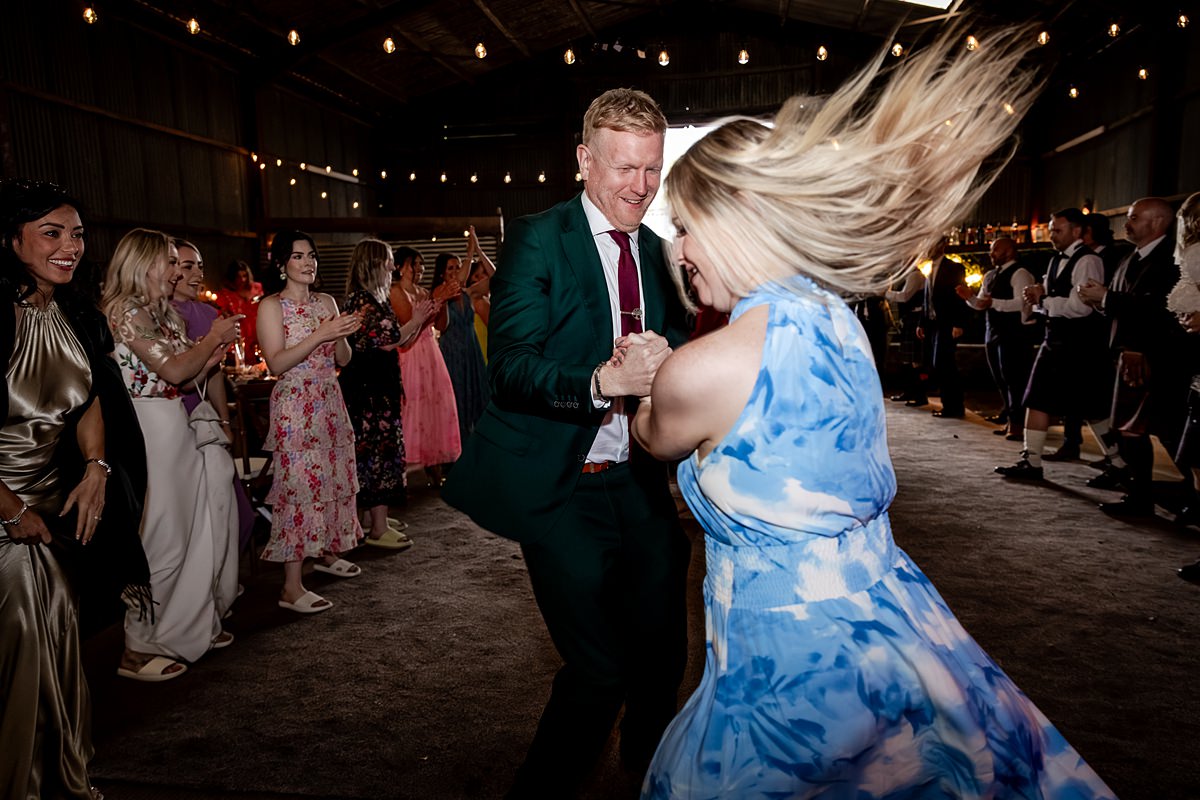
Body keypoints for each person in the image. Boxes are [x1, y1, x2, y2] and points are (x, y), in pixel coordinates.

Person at [630, 28, 1116, 798]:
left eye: (685, 224)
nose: (678, 248)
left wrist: (642, 380)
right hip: (893, 618)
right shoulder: (836, 318)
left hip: (790, 664)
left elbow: (654, 438)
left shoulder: (705, 367)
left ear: (732, 218)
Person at [443, 88, 692, 797]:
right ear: (584, 160)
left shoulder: (659, 251)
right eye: (623, 168)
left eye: (651, 170)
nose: (639, 188)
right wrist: (602, 379)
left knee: (664, 653)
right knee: (598, 672)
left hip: (639, 482)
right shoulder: (538, 236)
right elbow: (511, 365)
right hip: (562, 487)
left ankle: (650, 773)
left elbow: (671, 351)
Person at [0, 179, 149, 800]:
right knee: (20, 645)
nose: (70, 247)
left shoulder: (76, 313)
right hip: (5, 514)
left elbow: (87, 400)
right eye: (51, 234)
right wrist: (9, 511)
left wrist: (96, 469)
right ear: (11, 242)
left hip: (56, 509)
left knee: (59, 635)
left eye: (78, 234)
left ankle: (61, 773)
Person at [103, 229, 242, 680]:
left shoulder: (157, 313)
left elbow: (187, 379)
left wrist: (215, 349)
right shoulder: (125, 312)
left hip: (173, 426)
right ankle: (136, 648)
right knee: (159, 538)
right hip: (146, 431)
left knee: (186, 534)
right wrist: (210, 341)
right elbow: (174, 368)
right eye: (168, 262)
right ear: (142, 264)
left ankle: (180, 630)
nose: (176, 270)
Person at [257, 230, 363, 613]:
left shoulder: (327, 301)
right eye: (298, 256)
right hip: (294, 404)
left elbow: (344, 360)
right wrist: (321, 333)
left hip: (329, 399)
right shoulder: (271, 306)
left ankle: (323, 552)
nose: (308, 263)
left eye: (312, 256)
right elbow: (277, 363)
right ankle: (290, 587)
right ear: (282, 263)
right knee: (299, 490)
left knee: (330, 482)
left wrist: (341, 335)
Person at [1078, 198, 1188, 516]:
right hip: (1125, 354)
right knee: (1129, 431)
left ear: (1157, 222)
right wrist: (1100, 299)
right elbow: (1122, 302)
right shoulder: (1130, 257)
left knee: (1168, 431)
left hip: (1156, 357)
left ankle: (1183, 496)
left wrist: (1108, 297)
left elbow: (1163, 309)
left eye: (1134, 217)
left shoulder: (1173, 260)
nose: (1126, 223)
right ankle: (1141, 496)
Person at [995, 207, 1123, 481]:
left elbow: (1082, 308)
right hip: (1054, 339)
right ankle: (1032, 462)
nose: (1052, 234)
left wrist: (1043, 301)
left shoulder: (1088, 261)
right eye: (1052, 229)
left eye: (1057, 229)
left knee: (1093, 407)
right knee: (1036, 397)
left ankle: (1119, 463)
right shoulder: (1055, 261)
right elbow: (1049, 300)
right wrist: (1038, 299)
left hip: (1081, 343)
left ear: (1076, 231)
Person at [338, 237, 433, 549]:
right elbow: (391, 341)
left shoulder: (374, 299)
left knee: (379, 453)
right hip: (368, 393)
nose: (393, 266)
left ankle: (372, 519)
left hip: (379, 388)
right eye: (389, 260)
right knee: (377, 455)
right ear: (374, 264)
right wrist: (416, 320)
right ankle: (377, 528)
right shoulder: (362, 302)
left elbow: (402, 341)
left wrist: (418, 321)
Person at [171, 239, 252, 598]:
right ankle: (199, 598)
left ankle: (222, 587)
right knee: (193, 515)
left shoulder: (208, 315)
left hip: (205, 413)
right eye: (186, 266)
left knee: (234, 511)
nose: (195, 273)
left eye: (199, 266)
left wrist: (224, 420)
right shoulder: (158, 315)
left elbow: (216, 375)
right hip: (175, 413)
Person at [390, 246, 462, 484]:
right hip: (410, 354)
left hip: (431, 352)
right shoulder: (396, 292)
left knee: (437, 406)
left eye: (421, 264)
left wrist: (441, 303)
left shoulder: (423, 291)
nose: (420, 269)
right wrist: (435, 300)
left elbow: (441, 326)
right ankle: (408, 467)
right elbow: (408, 326)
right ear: (400, 267)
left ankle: (435, 469)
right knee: (413, 408)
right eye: (414, 264)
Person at [957, 236, 1036, 440]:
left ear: (1009, 251)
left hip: (1014, 333)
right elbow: (982, 303)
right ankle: (1010, 418)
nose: (991, 254)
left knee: (1015, 379)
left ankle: (1019, 424)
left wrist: (994, 303)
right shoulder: (990, 275)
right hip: (992, 332)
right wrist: (970, 298)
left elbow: (1023, 304)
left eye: (995, 250)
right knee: (1001, 379)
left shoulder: (1020, 273)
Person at [432, 227, 493, 448]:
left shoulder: (468, 294)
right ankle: (458, 453)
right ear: (442, 273)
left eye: (458, 267)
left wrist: (479, 251)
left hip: (472, 351)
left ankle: (481, 450)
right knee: (458, 405)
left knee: (480, 401)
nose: (456, 271)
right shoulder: (440, 294)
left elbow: (496, 277)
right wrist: (468, 254)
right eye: (451, 268)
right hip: (452, 354)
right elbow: (440, 324)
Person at [915, 238, 969, 418]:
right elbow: (927, 298)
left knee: (945, 364)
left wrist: (959, 323)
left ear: (941, 246)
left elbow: (959, 296)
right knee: (937, 364)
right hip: (932, 324)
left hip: (947, 323)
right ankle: (950, 405)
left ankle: (954, 406)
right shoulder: (929, 268)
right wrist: (922, 323)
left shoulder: (954, 268)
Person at [215, 258, 263, 362]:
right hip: (239, 335)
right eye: (238, 277)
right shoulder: (226, 295)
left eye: (244, 276)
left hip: (257, 332)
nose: (242, 280)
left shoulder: (256, 289)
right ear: (232, 278)